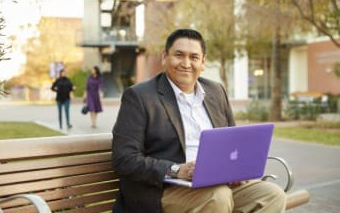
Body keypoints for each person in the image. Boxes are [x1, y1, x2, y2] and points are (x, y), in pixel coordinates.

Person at [112, 29, 286, 213]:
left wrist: (235, 170)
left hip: (219, 183)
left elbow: (232, 142)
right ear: (165, 57)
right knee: (218, 197)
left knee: (272, 195)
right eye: (179, 55)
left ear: (203, 62)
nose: (186, 63)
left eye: (194, 57)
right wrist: (176, 170)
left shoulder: (216, 91)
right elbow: (124, 158)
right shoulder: (140, 96)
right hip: (164, 189)